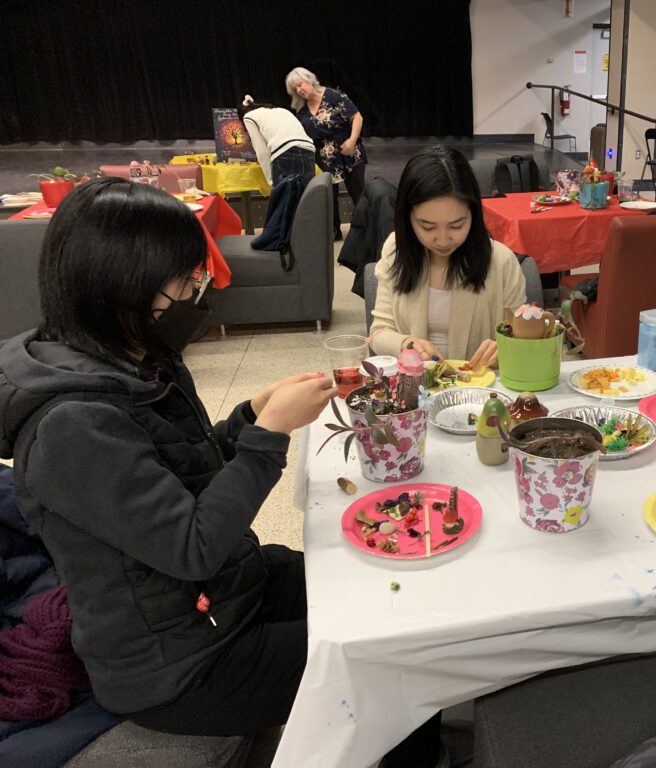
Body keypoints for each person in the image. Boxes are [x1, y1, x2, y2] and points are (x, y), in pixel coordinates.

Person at [0, 178, 336, 735]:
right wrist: (271, 434)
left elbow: (187, 470)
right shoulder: (71, 426)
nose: (194, 291)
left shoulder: (136, 355)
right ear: (120, 283)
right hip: (182, 666)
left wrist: (250, 415)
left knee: (366, 584)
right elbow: (193, 545)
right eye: (182, 279)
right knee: (379, 650)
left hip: (222, 599)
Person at [368, 145, 526, 370]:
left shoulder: (501, 262)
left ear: (473, 213)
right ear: (407, 218)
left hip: (482, 393)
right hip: (416, 388)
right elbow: (378, 332)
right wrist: (406, 343)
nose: (443, 240)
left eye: (456, 225)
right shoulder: (396, 250)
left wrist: (508, 347)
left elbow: (525, 335)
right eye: (427, 226)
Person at [286, 66, 367, 239]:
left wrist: (352, 141)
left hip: (348, 152)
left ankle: (366, 229)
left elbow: (357, 118)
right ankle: (334, 231)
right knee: (329, 197)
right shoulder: (301, 109)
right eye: (295, 89)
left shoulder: (333, 96)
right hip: (323, 157)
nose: (299, 90)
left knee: (358, 193)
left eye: (300, 84)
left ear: (310, 79)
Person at [237, 94, 315, 188]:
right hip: (309, 149)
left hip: (285, 152)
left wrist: (272, 182)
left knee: (285, 199)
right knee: (307, 196)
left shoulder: (248, 117)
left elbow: (261, 151)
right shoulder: (282, 110)